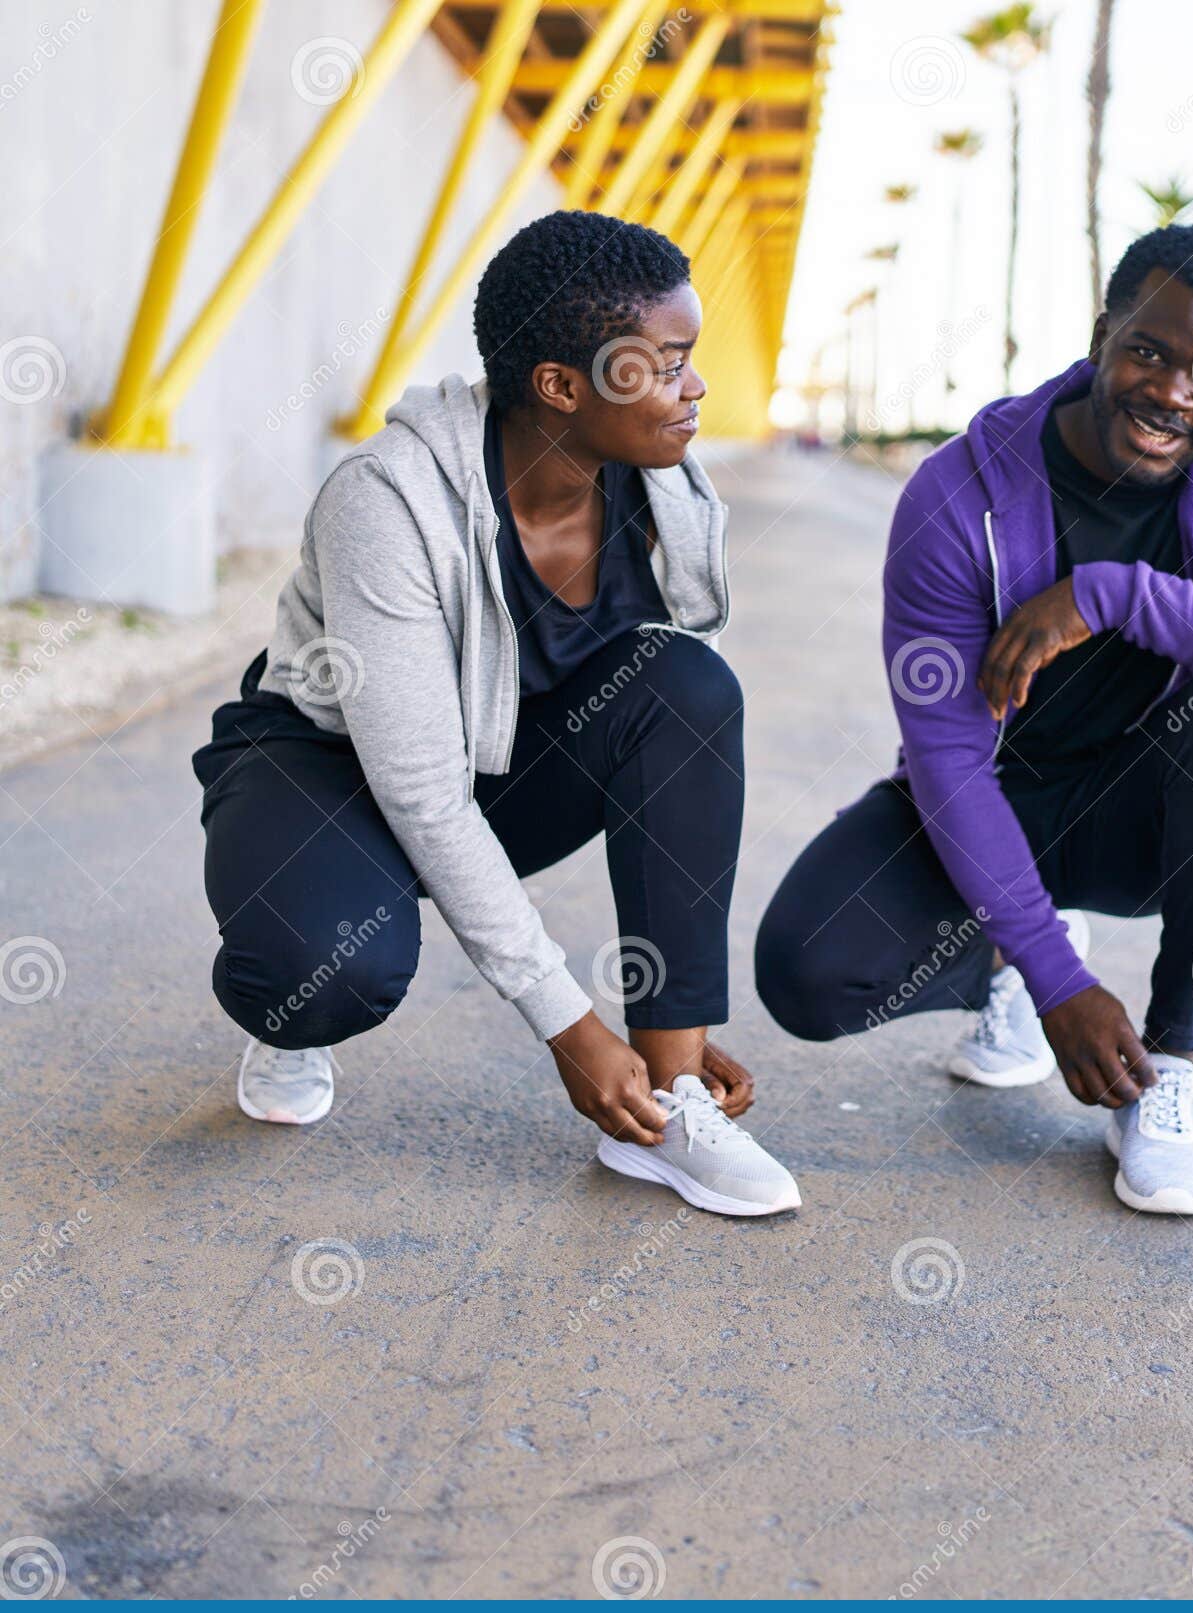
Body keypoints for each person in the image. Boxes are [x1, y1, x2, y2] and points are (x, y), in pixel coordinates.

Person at [191, 210, 801, 1219]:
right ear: (560, 386)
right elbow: (423, 793)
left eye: (690, 358)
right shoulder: (386, 501)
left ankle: (671, 1107)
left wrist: (665, 1035)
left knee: (692, 691)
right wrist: (572, 1028)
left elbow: (676, 738)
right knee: (326, 965)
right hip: (326, 764)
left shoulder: (668, 485)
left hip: (498, 752)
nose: (694, 387)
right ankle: (292, 1014)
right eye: (664, 364)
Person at [756, 225, 1193, 1217]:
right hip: (999, 795)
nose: (1174, 391)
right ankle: (1003, 950)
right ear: (1102, 338)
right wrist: (1053, 978)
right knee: (806, 969)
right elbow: (948, 758)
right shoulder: (959, 495)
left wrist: (1115, 593)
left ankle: (1165, 1070)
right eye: (1149, 351)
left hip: (1148, 816)